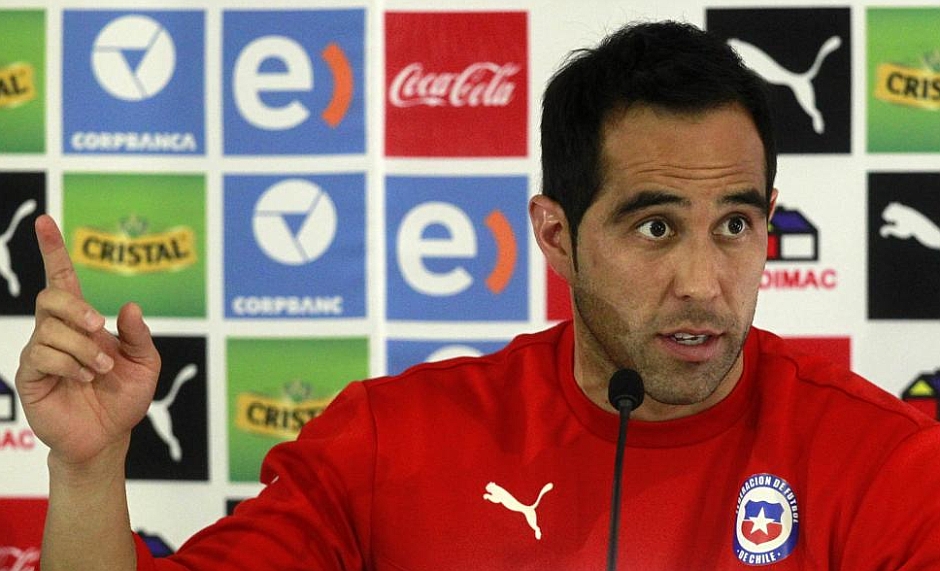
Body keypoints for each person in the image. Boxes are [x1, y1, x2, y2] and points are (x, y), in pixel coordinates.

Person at [16, 20, 940, 571]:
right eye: (656, 227)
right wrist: (89, 469)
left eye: (735, 224)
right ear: (554, 234)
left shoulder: (888, 465)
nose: (704, 282)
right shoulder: (390, 443)